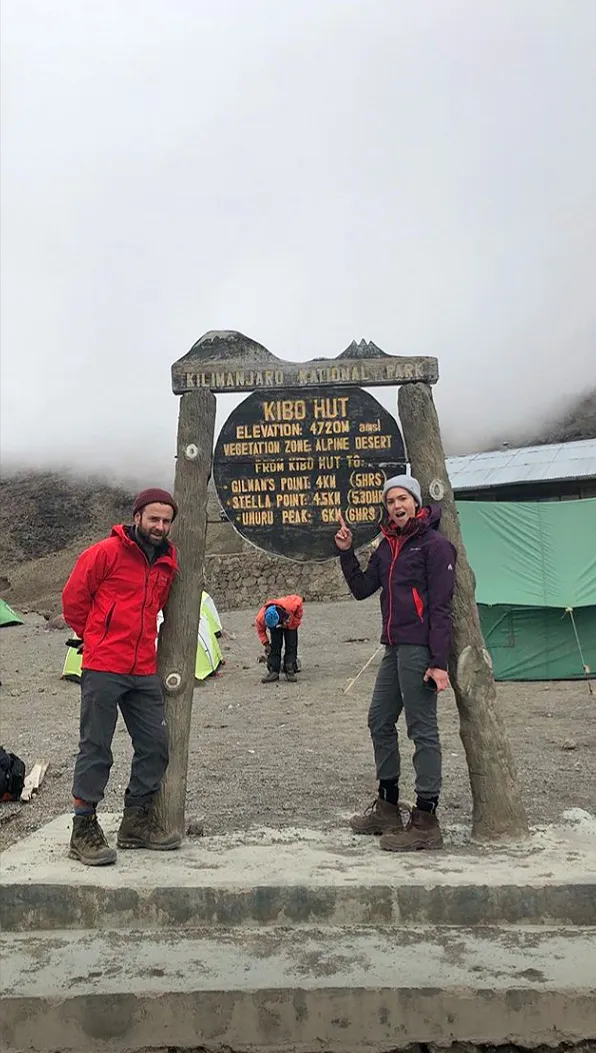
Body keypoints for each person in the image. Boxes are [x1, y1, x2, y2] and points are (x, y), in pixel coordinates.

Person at [335, 476, 456, 851]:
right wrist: (346, 551)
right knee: (379, 720)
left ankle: (425, 819)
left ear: (416, 502)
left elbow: (441, 608)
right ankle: (388, 806)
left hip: (419, 648)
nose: (395, 506)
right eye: (389, 501)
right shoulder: (387, 546)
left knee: (422, 730)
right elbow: (362, 589)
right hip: (392, 647)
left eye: (402, 498)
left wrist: (439, 662)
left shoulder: (435, 546)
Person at [62, 488, 180, 865]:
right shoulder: (105, 553)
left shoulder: (168, 561)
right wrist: (96, 637)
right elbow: (73, 599)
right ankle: (83, 828)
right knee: (96, 746)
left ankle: (134, 821)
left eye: (166, 521)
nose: (160, 526)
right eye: (153, 519)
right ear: (137, 517)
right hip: (103, 666)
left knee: (156, 745)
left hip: (143, 668)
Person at [255, 595, 303, 683]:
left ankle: (289, 668)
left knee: (291, 644)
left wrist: (293, 622)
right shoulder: (260, 618)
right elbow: (261, 631)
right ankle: (274, 671)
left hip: (289, 619)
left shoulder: (290, 604)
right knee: (275, 645)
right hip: (276, 624)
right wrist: (266, 643)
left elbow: (299, 602)